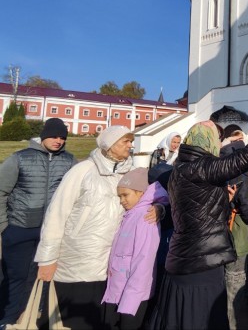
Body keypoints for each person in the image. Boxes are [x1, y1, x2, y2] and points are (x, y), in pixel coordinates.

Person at [147, 101, 248, 330]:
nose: (219, 143)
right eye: (216, 139)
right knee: (201, 319)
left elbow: (194, 210)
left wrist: (221, 201)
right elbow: (246, 156)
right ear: (206, 141)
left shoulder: (180, 169)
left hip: (183, 259)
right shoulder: (202, 166)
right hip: (201, 264)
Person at [34, 125, 162, 330]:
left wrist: (159, 207)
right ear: (109, 145)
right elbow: (56, 214)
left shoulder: (130, 174)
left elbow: (155, 194)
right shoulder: (83, 170)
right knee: (70, 321)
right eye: (125, 141)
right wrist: (47, 258)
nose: (131, 145)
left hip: (111, 268)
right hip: (78, 263)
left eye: (131, 141)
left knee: (97, 322)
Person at [0, 118, 77, 327]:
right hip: (19, 229)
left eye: (62, 137)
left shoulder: (70, 161)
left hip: (52, 232)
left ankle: (36, 317)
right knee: (16, 277)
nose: (58, 140)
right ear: (44, 136)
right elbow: (1, 191)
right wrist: (4, 226)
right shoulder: (19, 159)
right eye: (54, 136)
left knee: (44, 277)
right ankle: (7, 318)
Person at [103, 168, 169, 330]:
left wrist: (131, 300)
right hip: (118, 289)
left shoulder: (146, 218)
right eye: (119, 196)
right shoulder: (131, 214)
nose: (121, 201)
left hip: (133, 296)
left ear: (141, 193)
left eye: (125, 195)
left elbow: (143, 262)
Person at [219, 132, 248, 329]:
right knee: (235, 283)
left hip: (233, 236)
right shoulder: (240, 175)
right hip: (239, 236)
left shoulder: (220, 167)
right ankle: (234, 323)